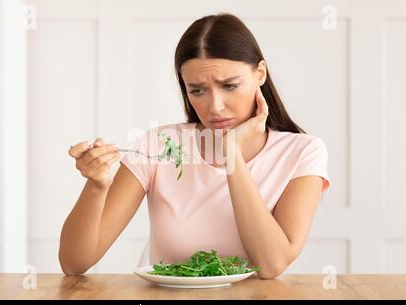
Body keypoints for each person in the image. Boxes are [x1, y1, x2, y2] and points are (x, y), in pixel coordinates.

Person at [59, 13, 330, 279]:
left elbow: (271, 265)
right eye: (197, 90)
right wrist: (97, 186)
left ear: (259, 73)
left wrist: (231, 153)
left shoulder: (303, 152)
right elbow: (75, 263)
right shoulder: (159, 145)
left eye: (230, 85)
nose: (215, 107)